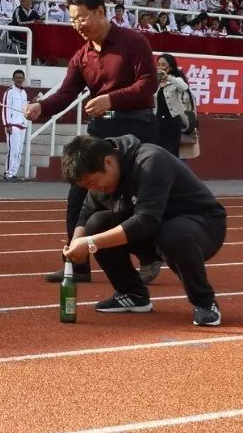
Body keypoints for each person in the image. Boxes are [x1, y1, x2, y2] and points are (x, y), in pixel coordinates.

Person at [24, 0, 160, 284]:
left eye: (82, 18)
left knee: (129, 203)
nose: (78, 26)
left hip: (135, 130)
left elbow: (149, 84)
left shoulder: (133, 42)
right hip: (100, 133)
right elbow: (65, 94)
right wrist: (40, 107)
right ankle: (78, 262)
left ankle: (149, 256)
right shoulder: (81, 56)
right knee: (78, 195)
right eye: (73, 21)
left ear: (100, 12)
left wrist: (112, 100)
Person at [60, 135, 226, 325]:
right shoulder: (102, 174)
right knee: (96, 223)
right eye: (87, 186)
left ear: (108, 162)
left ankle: (205, 302)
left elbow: (145, 221)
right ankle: (132, 294)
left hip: (203, 227)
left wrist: (90, 243)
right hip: (155, 230)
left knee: (172, 235)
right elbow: (87, 211)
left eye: (92, 182)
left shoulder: (150, 161)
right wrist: (76, 243)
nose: (94, 188)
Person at [155, 54, 197, 158]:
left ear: (170, 67)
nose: (160, 67)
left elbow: (184, 87)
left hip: (172, 120)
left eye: (163, 64)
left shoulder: (175, 80)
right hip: (157, 121)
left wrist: (167, 77)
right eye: (158, 64)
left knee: (171, 153)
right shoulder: (154, 82)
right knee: (157, 151)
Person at [1, 69, 28, 182]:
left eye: (21, 78)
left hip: (22, 124)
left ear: (23, 79)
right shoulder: (9, 92)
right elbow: (5, 108)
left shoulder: (24, 92)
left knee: (18, 151)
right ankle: (8, 173)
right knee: (13, 150)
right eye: (17, 77)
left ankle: (14, 173)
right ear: (13, 79)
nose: (19, 80)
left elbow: (25, 108)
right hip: (13, 124)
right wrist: (7, 124)